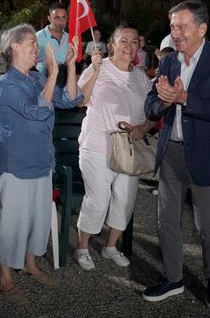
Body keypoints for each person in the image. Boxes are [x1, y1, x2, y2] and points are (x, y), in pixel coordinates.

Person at [142, 0, 210, 311]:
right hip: (171, 152)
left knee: (207, 224)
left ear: (201, 28)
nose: (175, 32)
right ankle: (173, 278)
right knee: (166, 220)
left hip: (209, 154)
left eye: (182, 26)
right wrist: (166, 103)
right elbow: (151, 104)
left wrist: (185, 97)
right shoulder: (169, 62)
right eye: (172, 26)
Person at [0, 24, 82, 304]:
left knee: (37, 218)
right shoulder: (4, 84)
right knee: (13, 222)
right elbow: (34, 111)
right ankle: (5, 275)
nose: (36, 48)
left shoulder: (34, 79)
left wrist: (69, 67)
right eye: (31, 43)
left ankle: (30, 263)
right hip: (17, 165)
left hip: (42, 162)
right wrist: (53, 72)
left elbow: (69, 99)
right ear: (15, 47)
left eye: (36, 42)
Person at [74, 22, 156, 270]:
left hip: (129, 150)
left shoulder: (141, 77)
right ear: (112, 44)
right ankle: (82, 247)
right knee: (98, 200)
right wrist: (96, 69)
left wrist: (143, 127)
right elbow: (80, 101)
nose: (129, 47)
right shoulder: (98, 67)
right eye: (123, 41)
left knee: (125, 200)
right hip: (97, 145)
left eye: (134, 41)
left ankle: (110, 246)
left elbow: (153, 112)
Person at [35, 3, 69, 75]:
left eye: (64, 17)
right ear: (49, 18)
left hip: (63, 80)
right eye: (57, 18)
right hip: (42, 80)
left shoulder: (69, 38)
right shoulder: (37, 37)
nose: (61, 21)